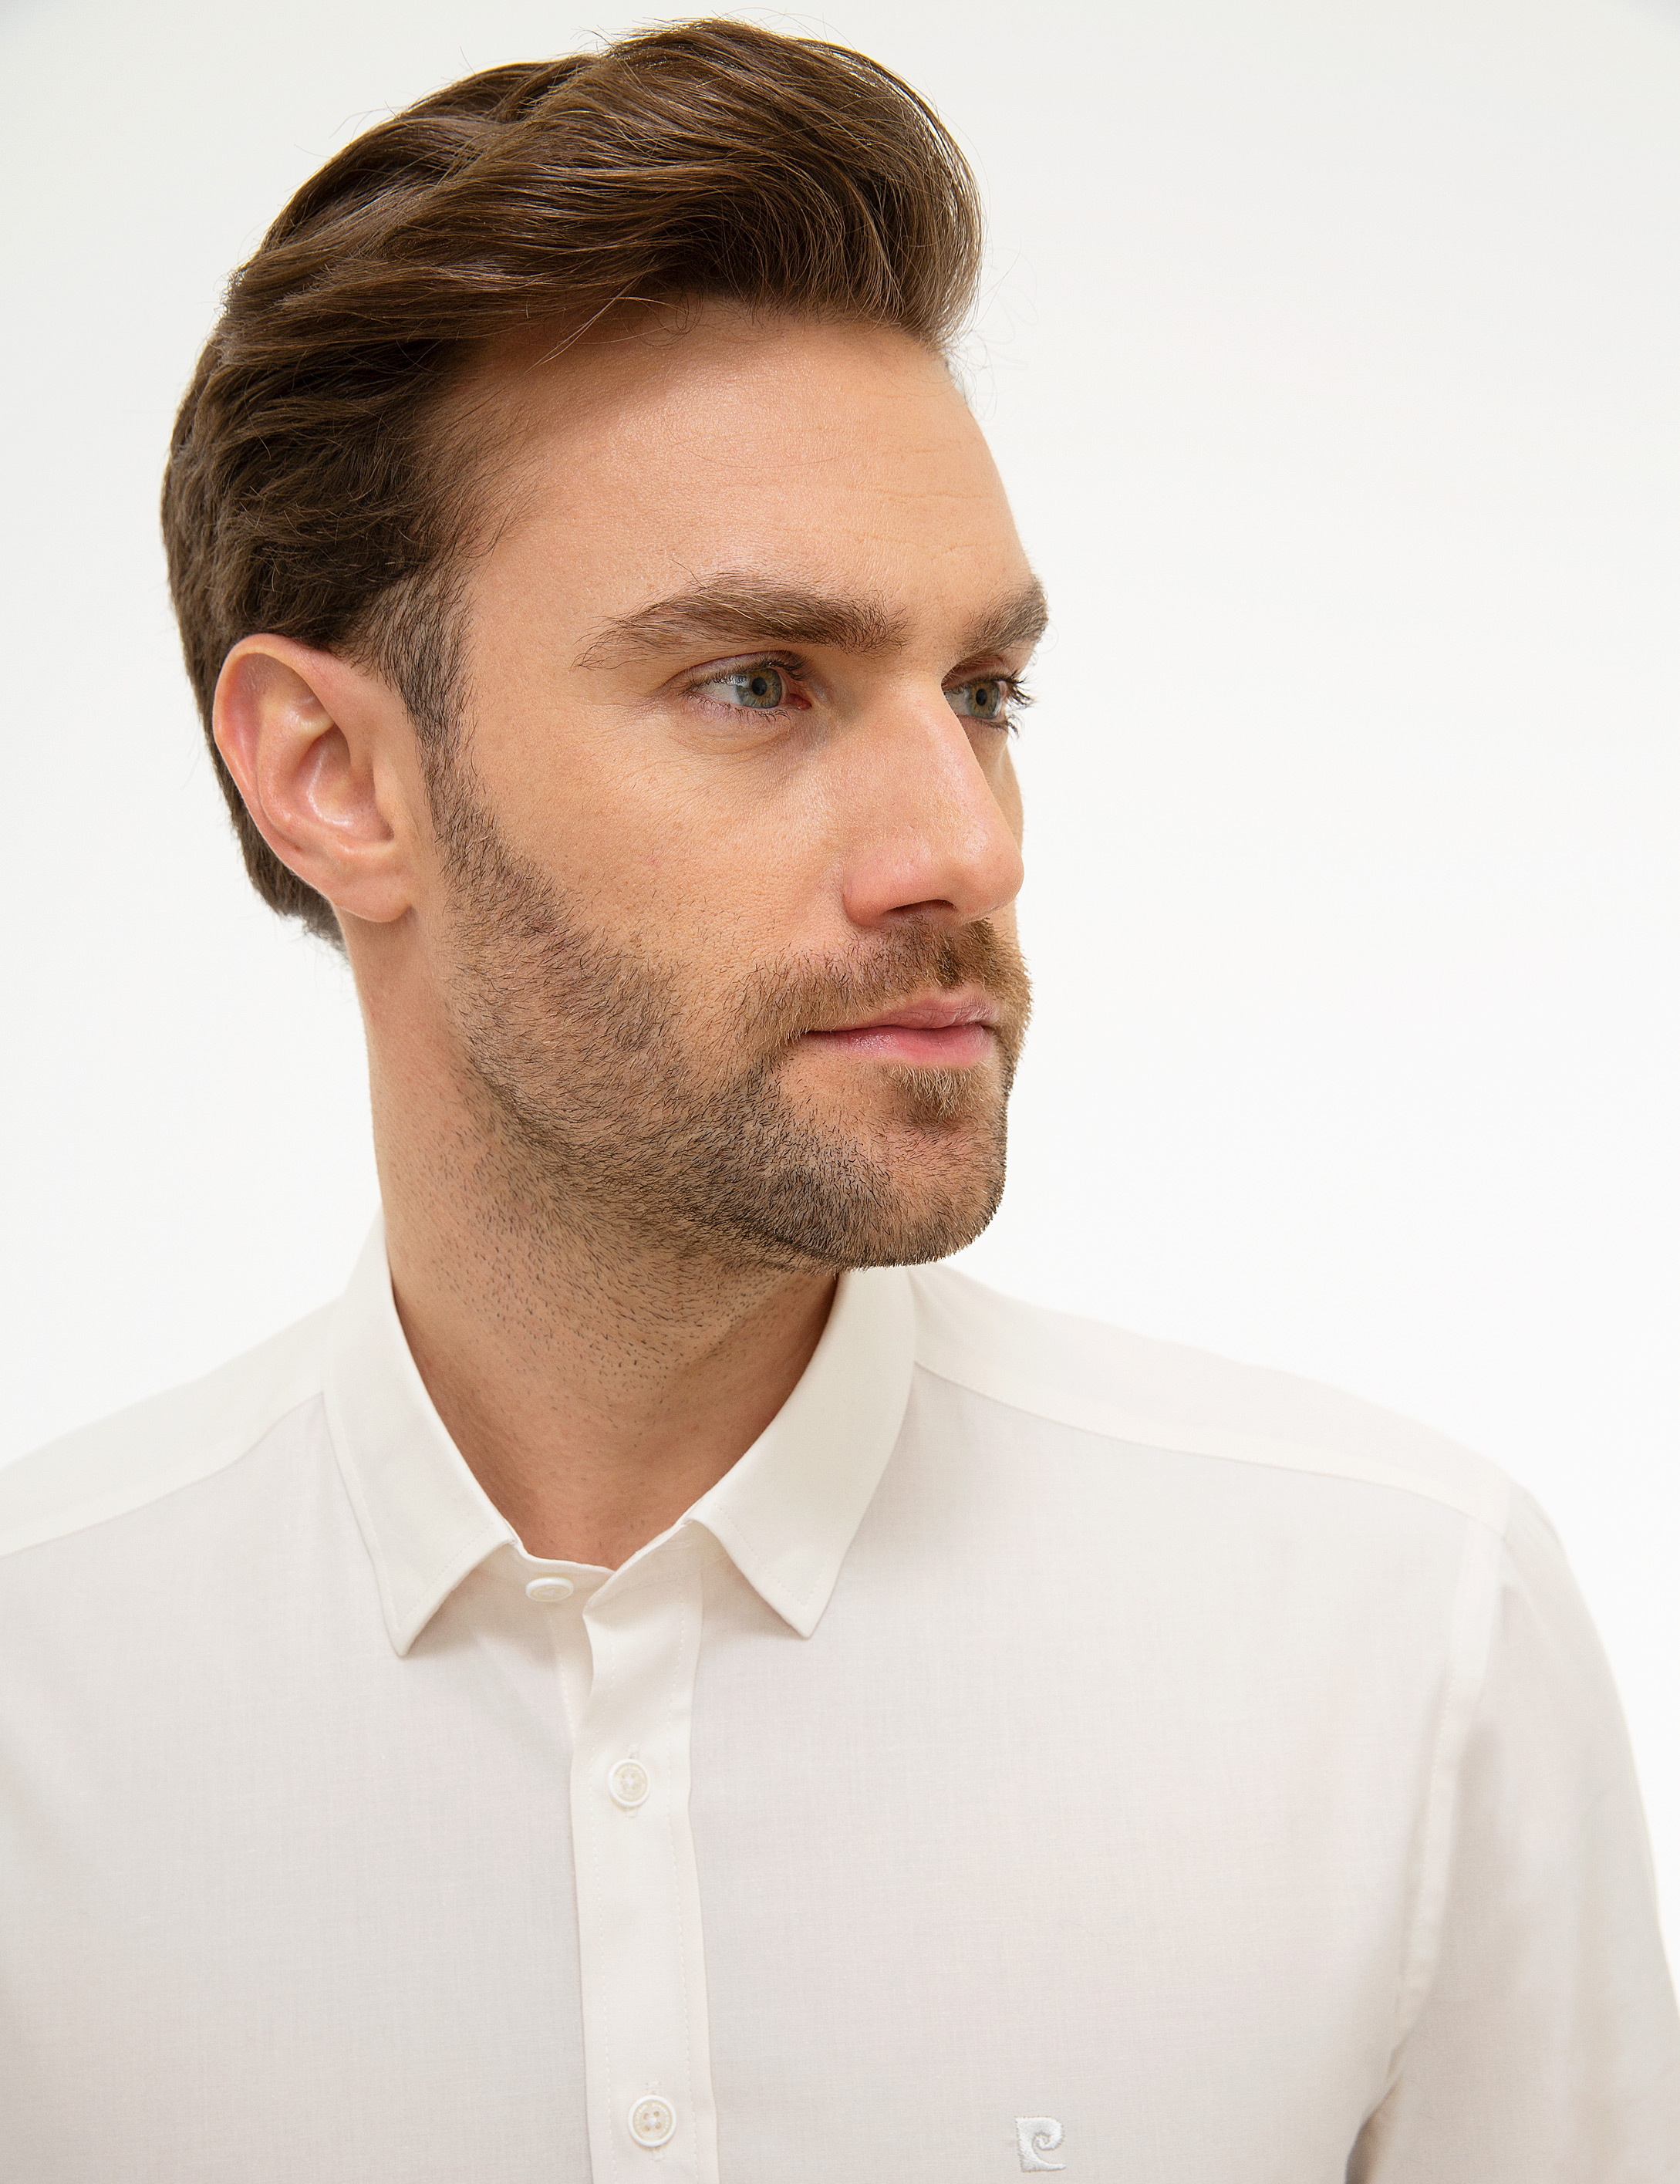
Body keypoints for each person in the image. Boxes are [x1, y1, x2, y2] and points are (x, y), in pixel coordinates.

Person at [2, 18, 1675, 2179]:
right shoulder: (40, 1714)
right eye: (753, 682)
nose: (965, 846)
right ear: (336, 776)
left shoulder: (1401, 1646)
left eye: (984, 691)